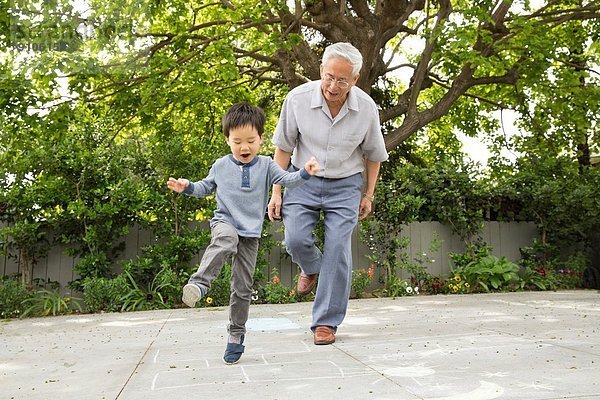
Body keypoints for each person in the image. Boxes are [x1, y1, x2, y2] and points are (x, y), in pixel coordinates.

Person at [167, 102, 319, 365]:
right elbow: (204, 187)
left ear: (261, 139)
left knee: (243, 286)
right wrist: (187, 186)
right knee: (226, 238)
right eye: (237, 141)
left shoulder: (267, 165)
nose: (244, 147)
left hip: (251, 232)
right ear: (228, 140)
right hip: (225, 222)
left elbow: (287, 180)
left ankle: (236, 335)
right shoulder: (220, 165)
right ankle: (200, 283)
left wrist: (305, 172)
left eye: (251, 140)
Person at [268, 42, 388, 345]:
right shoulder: (296, 100)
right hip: (303, 178)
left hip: (345, 183)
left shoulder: (366, 109)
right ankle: (310, 267)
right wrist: (276, 192)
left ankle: (325, 323)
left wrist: (368, 194)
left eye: (342, 80)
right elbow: (283, 148)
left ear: (355, 80)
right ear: (321, 70)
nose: (333, 86)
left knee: (338, 249)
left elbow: (373, 155)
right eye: (329, 76)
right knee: (294, 239)